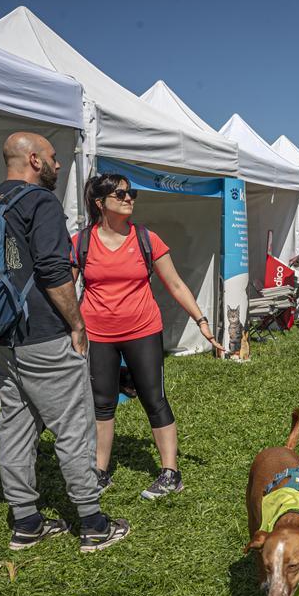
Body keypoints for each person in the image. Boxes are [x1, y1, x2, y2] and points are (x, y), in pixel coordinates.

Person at [0, 132, 128, 553]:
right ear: (33, 159)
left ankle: (26, 522)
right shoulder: (39, 202)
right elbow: (51, 268)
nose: (59, 164)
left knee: (15, 424)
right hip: (42, 334)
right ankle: (93, 522)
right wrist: (77, 323)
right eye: (52, 157)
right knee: (73, 426)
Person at [73, 173, 224, 501]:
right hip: (97, 334)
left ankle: (171, 473)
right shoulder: (81, 242)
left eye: (131, 193)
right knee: (102, 403)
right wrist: (69, 327)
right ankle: (100, 471)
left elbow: (177, 284)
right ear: (100, 204)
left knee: (153, 399)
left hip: (143, 330)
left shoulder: (145, 238)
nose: (129, 198)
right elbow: (63, 289)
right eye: (121, 194)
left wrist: (201, 320)